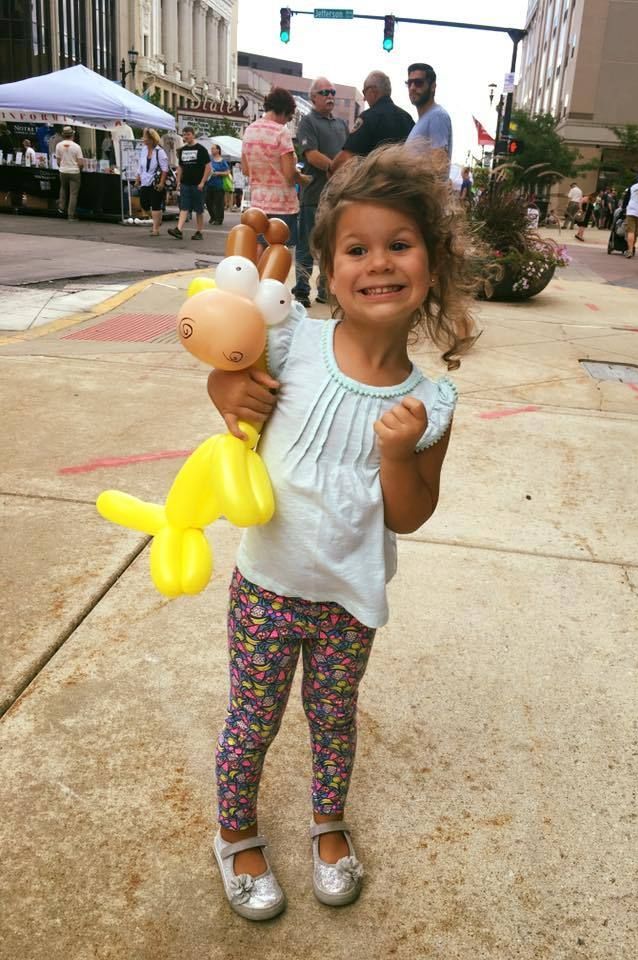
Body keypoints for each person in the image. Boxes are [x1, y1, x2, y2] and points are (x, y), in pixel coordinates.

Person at [206, 143, 474, 920]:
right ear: (328, 262)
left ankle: (328, 824)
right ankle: (236, 833)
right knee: (251, 719)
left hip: (349, 600)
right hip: (267, 583)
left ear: (431, 262)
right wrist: (229, 389)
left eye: (400, 244)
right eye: (357, 248)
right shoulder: (294, 342)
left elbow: (411, 514)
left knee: (333, 718)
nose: (379, 263)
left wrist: (399, 449)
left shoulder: (434, 400)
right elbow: (224, 377)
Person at [292, 76, 349, 309]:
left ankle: (326, 290)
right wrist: (335, 168)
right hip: (314, 195)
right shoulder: (307, 122)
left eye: (333, 92)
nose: (330, 97)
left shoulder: (341, 125)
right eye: (325, 92)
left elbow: (348, 153)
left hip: (338, 198)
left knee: (332, 245)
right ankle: (302, 290)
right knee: (307, 244)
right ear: (313, 97)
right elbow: (311, 155)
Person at [240, 87, 303, 256]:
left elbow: (245, 169)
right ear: (283, 111)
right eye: (288, 117)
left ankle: (255, 281)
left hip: (257, 203)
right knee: (279, 254)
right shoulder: (281, 132)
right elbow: (289, 174)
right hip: (282, 205)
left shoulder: (249, 130)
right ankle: (272, 282)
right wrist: (303, 179)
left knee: (258, 248)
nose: (287, 121)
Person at [330, 71, 414, 173]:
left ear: (373, 91)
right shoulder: (407, 118)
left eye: (364, 92)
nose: (364, 99)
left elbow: (345, 157)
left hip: (374, 185)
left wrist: (330, 170)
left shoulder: (369, 117)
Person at [404, 62, 453, 165]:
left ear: (433, 86)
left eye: (418, 83)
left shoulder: (437, 116)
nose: (412, 87)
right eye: (409, 83)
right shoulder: (424, 119)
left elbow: (439, 167)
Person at [167, 126, 211, 241]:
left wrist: (202, 182)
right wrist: (178, 181)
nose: (186, 137)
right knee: (184, 207)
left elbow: (208, 167)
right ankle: (179, 229)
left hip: (198, 184)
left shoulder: (201, 149)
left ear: (193, 135)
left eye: (188, 134)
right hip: (186, 183)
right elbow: (180, 167)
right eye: (184, 135)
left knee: (199, 209)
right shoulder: (182, 150)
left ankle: (199, 231)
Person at [133, 127, 168, 237]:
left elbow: (165, 169)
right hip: (145, 180)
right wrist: (138, 178)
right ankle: (157, 220)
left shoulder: (160, 152)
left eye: (145, 137)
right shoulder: (143, 150)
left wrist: (162, 183)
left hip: (155, 181)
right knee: (144, 204)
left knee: (155, 204)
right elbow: (141, 166)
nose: (143, 139)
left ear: (152, 139)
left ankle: (155, 229)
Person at [54, 126, 84, 221]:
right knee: (73, 194)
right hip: (74, 171)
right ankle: (70, 215)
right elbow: (80, 163)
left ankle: (61, 207)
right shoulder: (77, 147)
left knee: (63, 188)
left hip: (63, 171)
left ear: (63, 135)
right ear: (72, 135)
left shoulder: (58, 146)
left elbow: (58, 161)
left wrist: (62, 166)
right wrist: (80, 169)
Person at [206, 143, 231, 225]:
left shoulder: (222, 161)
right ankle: (213, 217)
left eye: (213, 148)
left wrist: (218, 173)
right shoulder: (210, 160)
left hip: (219, 185)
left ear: (218, 150)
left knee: (218, 203)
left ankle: (219, 219)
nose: (211, 150)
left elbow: (227, 172)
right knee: (208, 202)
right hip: (209, 184)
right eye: (211, 148)